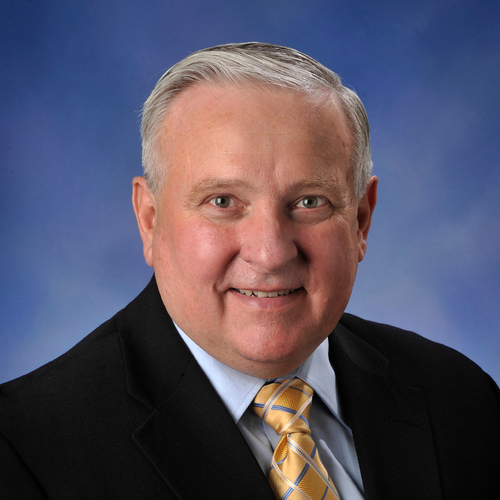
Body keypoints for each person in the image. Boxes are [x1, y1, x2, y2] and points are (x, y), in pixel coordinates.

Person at [0, 42, 498, 500]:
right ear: (150, 220)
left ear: (361, 220)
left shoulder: (459, 398)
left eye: (310, 202)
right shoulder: (23, 449)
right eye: (222, 202)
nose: (270, 252)